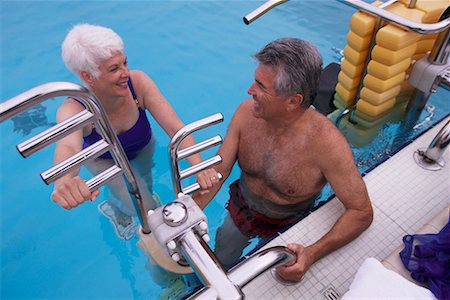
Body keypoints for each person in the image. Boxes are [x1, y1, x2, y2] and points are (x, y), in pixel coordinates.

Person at [194, 38, 373, 281]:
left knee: (269, 281)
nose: (250, 91)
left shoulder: (327, 145)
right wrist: (189, 213)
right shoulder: (246, 114)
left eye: (260, 86)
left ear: (293, 101)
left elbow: (361, 212)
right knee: (220, 262)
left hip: (288, 223)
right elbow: (220, 171)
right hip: (241, 209)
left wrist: (311, 254)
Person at [51, 24, 217, 239]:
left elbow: (176, 128)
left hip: (142, 146)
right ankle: (122, 209)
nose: (125, 73)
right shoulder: (74, 108)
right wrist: (64, 182)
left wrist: (199, 167)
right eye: (114, 69)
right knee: (148, 210)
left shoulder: (137, 83)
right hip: (104, 161)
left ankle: (118, 205)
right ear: (88, 76)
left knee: (144, 186)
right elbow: (67, 146)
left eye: (125, 63)